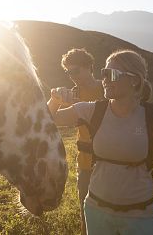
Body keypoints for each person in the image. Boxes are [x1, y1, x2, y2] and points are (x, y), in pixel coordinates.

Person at [48, 50, 153, 235]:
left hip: (141, 216)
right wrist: (55, 100)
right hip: (96, 211)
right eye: (104, 73)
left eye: (111, 74)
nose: (105, 80)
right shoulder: (93, 110)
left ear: (134, 80)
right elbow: (47, 119)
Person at [48, 48, 104, 235]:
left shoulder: (107, 89)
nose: (72, 76)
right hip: (86, 164)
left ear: (89, 67)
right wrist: (54, 101)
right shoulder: (71, 95)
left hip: (113, 163)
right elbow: (48, 120)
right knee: (87, 214)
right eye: (68, 72)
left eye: (75, 71)